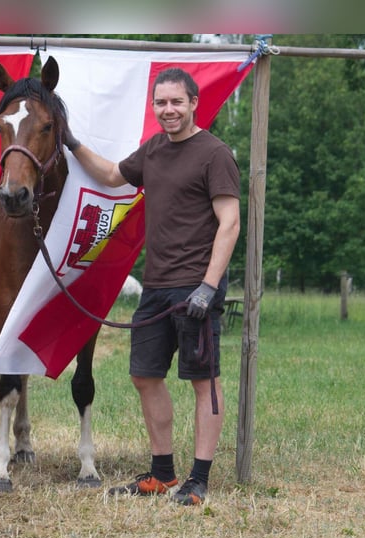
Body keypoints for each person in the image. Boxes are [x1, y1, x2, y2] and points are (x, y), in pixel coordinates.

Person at [64, 67, 241, 506]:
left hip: (196, 288)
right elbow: (109, 175)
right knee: (144, 376)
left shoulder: (214, 153)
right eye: (160, 103)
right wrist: (70, 141)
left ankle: (198, 480)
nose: (168, 110)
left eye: (176, 102)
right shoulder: (154, 151)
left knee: (205, 381)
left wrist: (208, 286)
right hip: (157, 288)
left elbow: (230, 223)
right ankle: (162, 473)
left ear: (194, 103)